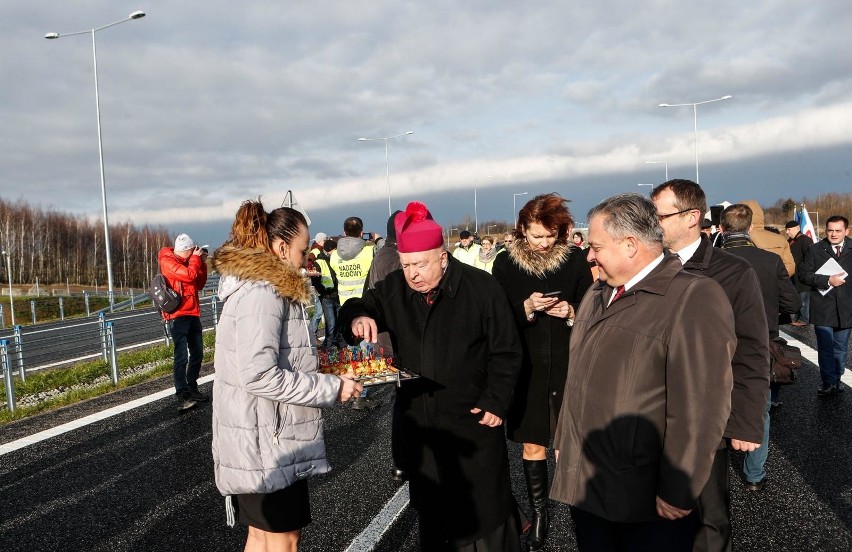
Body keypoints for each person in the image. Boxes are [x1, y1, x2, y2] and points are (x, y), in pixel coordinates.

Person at [551, 193, 736, 552]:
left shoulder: (692, 297)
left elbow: (700, 408)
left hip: (644, 497)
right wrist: (564, 440)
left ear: (631, 245)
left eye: (596, 246)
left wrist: (678, 490)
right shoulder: (597, 292)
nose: (589, 256)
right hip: (589, 484)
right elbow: (577, 377)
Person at [339, 201, 525, 551]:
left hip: (472, 421)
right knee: (433, 518)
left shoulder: (481, 288)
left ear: (443, 257)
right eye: (407, 265)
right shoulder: (395, 287)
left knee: (483, 516)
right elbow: (358, 304)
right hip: (421, 426)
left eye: (420, 264)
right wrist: (357, 316)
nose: (413, 273)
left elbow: (508, 351)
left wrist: (496, 400)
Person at [211, 200, 362, 552]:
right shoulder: (265, 293)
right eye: (302, 249)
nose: (307, 258)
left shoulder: (256, 287)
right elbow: (259, 373)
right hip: (268, 439)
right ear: (280, 248)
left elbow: (276, 358)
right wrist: (332, 387)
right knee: (284, 539)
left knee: (262, 537)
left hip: (259, 435)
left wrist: (322, 364)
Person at [650, 180, 769, 552]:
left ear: (692, 218)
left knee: (709, 519)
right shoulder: (646, 268)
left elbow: (751, 349)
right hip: (648, 414)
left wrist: (747, 422)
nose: (652, 222)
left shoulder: (732, 272)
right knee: (652, 518)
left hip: (704, 420)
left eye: (660, 215)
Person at [491, 193, 593, 550]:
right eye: (536, 236)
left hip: (568, 362)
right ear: (522, 229)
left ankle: (582, 509)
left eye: (550, 235)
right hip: (527, 366)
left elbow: (592, 306)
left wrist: (570, 311)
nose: (543, 243)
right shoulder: (504, 263)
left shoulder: (576, 259)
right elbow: (498, 319)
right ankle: (540, 512)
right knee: (533, 443)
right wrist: (526, 307)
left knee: (569, 441)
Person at [719, 204, 800, 490]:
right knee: (758, 406)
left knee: (713, 402)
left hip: (718, 341)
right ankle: (754, 475)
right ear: (751, 228)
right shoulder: (770, 260)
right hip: (760, 341)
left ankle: (712, 471)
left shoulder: (712, 262)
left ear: (721, 229)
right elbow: (793, 304)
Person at [798, 215, 852, 396]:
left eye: (838, 230)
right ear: (825, 230)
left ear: (847, 231)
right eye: (830, 230)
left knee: (841, 347)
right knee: (825, 346)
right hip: (823, 306)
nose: (834, 234)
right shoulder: (815, 250)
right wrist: (827, 279)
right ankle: (828, 382)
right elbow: (803, 274)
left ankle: (837, 377)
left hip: (847, 307)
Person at [329, 216, 378, 409]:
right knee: (367, 354)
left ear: (343, 233)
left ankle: (354, 390)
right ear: (361, 232)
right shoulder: (369, 252)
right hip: (363, 309)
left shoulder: (334, 256)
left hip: (345, 310)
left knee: (354, 353)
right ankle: (361, 395)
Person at [158, 232, 209, 412]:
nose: (195, 251)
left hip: (192, 313)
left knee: (198, 352)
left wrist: (201, 262)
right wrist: (195, 260)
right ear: (186, 249)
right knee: (181, 355)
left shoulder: (191, 262)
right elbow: (188, 276)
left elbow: (199, 282)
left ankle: (192, 387)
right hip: (177, 315)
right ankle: (182, 393)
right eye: (193, 249)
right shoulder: (168, 261)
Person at [740, 200, 795, 276]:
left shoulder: (738, 238)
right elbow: (790, 268)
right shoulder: (780, 239)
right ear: (761, 215)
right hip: (775, 284)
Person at [312, 238, 342, 349]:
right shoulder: (319, 262)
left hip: (337, 296)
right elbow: (315, 280)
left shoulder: (336, 260)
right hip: (327, 297)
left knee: (338, 323)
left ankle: (336, 345)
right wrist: (324, 292)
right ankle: (329, 348)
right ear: (329, 250)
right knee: (331, 324)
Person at [785, 220, 814, 326]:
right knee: (795, 297)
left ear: (796, 228)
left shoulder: (806, 240)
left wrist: (803, 270)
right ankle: (794, 318)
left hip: (803, 275)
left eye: (789, 230)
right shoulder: (790, 241)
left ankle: (804, 319)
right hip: (793, 275)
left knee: (803, 299)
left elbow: (809, 258)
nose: (787, 232)